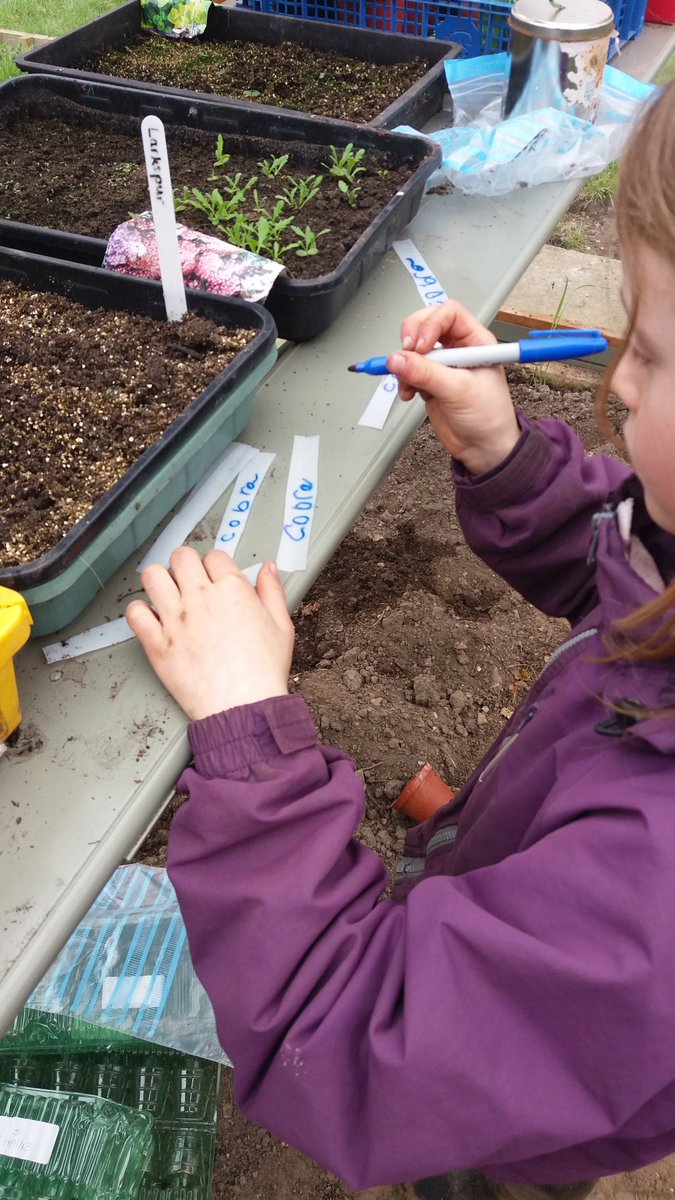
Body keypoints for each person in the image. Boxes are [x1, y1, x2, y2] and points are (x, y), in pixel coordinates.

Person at [126, 80, 675, 1200]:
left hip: (509, 1118)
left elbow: (352, 1036)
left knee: (467, 1172)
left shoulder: (652, 898)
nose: (615, 381)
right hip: (535, 951)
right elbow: (631, 590)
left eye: (656, 354)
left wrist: (250, 734)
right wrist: (509, 456)